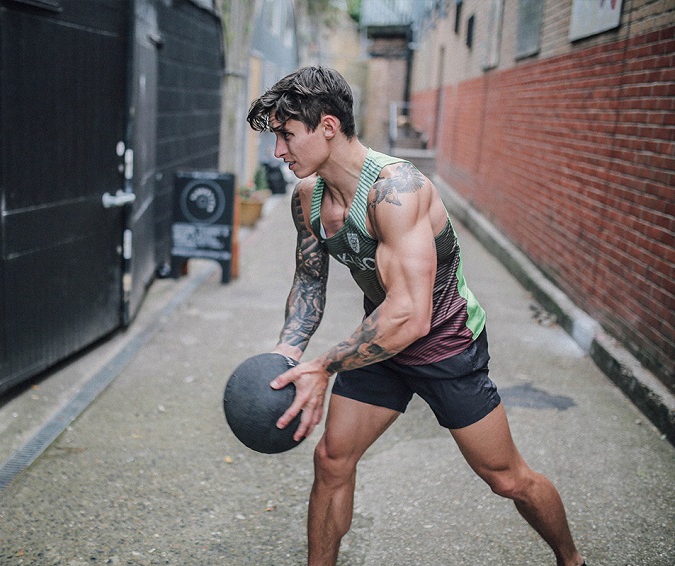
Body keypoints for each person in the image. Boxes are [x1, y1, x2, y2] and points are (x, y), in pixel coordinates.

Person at [246, 66, 584, 566]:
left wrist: (322, 366)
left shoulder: (396, 190)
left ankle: (571, 559)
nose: (279, 152)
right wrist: (286, 353)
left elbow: (411, 316)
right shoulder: (307, 198)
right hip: (377, 342)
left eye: (286, 135)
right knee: (332, 460)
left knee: (507, 478)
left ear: (328, 127)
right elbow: (309, 283)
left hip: (444, 343)